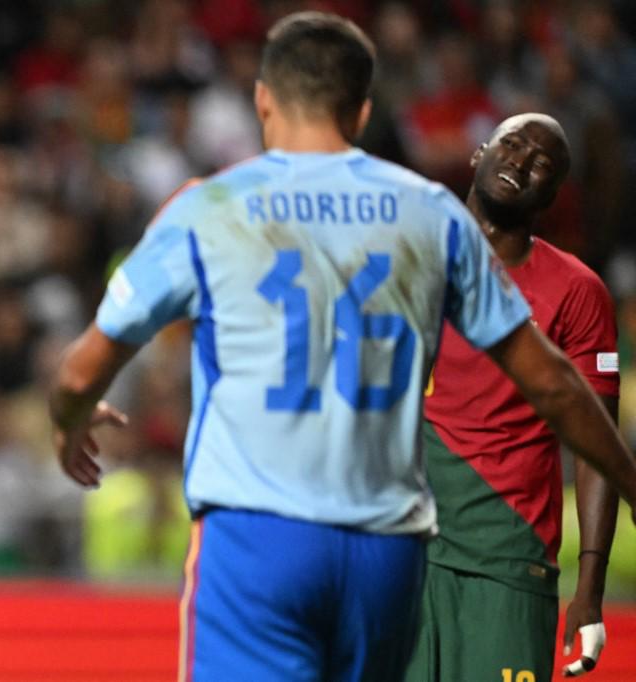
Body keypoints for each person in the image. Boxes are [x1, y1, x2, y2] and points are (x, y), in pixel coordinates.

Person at [48, 12, 636, 682]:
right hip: (385, 543)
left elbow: (81, 370)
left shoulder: (211, 206)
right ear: (361, 112)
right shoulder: (428, 214)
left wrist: (70, 417)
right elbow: (556, 385)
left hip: (258, 532)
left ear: (263, 98)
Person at [406, 114, 619, 681]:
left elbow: (596, 444)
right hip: (402, 550)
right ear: (479, 154)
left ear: (553, 195)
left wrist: (590, 587)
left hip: (507, 562)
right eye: (513, 144)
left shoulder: (578, 291)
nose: (522, 163)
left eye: (542, 163)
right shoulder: (410, 257)